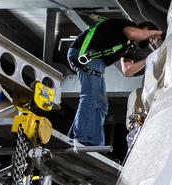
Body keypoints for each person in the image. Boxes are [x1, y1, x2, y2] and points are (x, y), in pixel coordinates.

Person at [67, 19, 163, 148]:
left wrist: (148, 59)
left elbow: (127, 71)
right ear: (144, 28)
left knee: (101, 103)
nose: (152, 40)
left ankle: (91, 142)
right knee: (90, 97)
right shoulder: (124, 25)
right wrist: (158, 32)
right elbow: (133, 33)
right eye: (151, 36)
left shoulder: (129, 46)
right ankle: (82, 138)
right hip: (86, 54)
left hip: (96, 62)